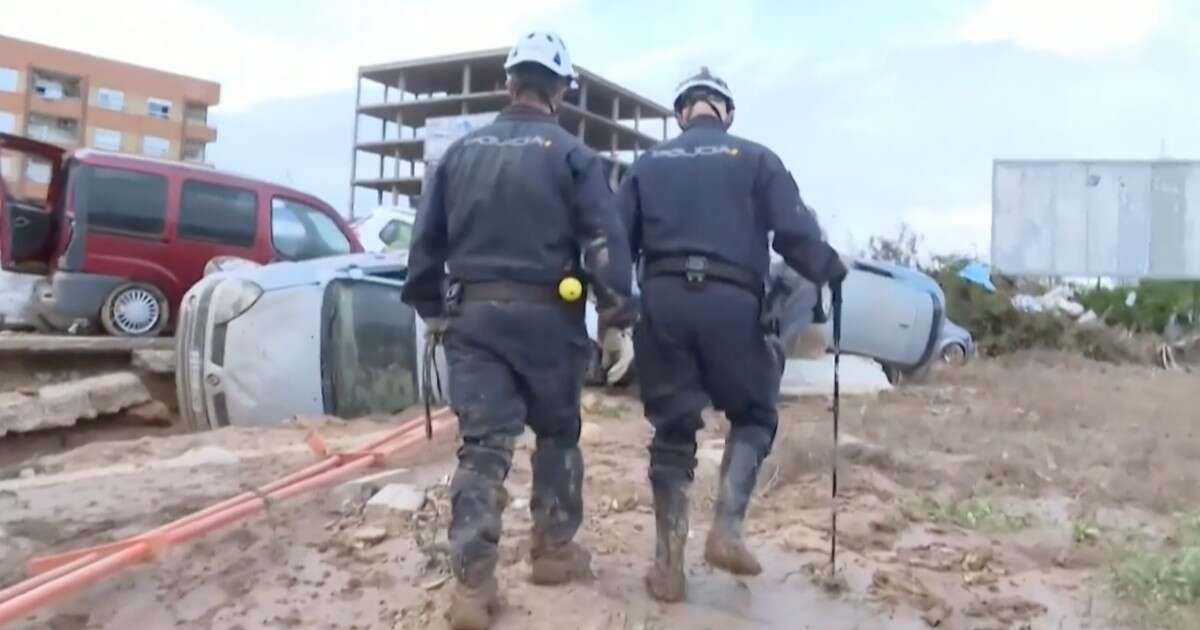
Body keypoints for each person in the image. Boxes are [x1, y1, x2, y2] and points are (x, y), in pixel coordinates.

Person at [401, 32, 636, 630]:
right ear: (560, 91)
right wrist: (616, 322)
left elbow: (424, 243)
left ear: (509, 84)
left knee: (482, 449)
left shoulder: (459, 154)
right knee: (557, 435)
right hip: (549, 322)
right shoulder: (573, 156)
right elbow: (605, 246)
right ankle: (554, 552)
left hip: (473, 320)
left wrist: (431, 310)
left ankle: (473, 589)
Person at [611, 66, 848, 602]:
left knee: (673, 432)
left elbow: (614, 242)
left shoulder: (647, 165)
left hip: (665, 303)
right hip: (733, 302)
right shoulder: (755, 158)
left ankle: (667, 567)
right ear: (727, 112)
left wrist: (616, 313)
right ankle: (726, 529)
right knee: (755, 415)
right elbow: (796, 234)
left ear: (680, 115)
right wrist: (831, 270)